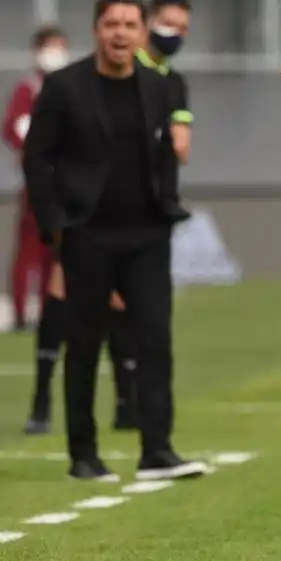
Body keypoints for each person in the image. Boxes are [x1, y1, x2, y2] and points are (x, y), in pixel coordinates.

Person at [22, 0, 207, 482]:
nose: (120, 33)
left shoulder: (158, 85)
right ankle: (83, 455)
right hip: (87, 234)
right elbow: (37, 158)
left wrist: (167, 202)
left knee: (155, 340)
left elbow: (166, 153)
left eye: (129, 24)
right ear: (96, 30)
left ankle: (157, 451)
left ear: (142, 32)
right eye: (111, 24)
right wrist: (54, 225)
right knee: (84, 344)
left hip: (147, 234)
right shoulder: (65, 86)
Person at [3, 26, 137, 436]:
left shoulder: (112, 87)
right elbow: (28, 141)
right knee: (57, 283)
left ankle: (125, 400)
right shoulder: (41, 90)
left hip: (107, 201)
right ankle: (43, 398)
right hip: (63, 201)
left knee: (115, 294)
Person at [3, 26, 67, 333]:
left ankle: (49, 309)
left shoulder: (69, 89)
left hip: (65, 182)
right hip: (38, 182)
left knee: (55, 252)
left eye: (60, 47)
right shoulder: (28, 90)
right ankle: (19, 311)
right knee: (30, 247)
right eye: (50, 47)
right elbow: (14, 128)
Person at [137, 0, 193, 165]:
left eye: (183, 28)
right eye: (168, 24)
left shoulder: (176, 83)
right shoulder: (123, 69)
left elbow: (180, 146)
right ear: (148, 21)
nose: (175, 33)